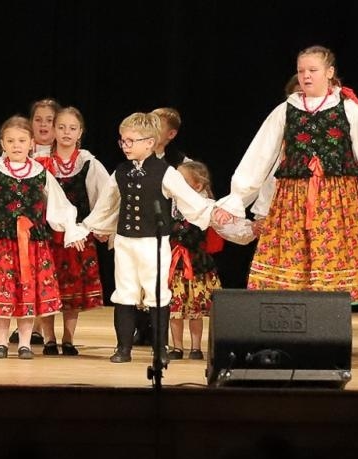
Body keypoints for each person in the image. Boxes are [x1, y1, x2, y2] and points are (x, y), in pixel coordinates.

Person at [214, 45, 358, 304]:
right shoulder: (285, 110)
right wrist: (236, 199)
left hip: (338, 199)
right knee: (293, 260)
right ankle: (293, 329)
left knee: (332, 263)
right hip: (293, 198)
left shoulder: (349, 109)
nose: (306, 76)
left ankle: (328, 330)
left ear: (330, 72)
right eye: (301, 71)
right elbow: (260, 155)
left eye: (313, 70)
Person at [0, 116, 88, 359]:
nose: (16, 145)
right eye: (10, 141)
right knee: (3, 293)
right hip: (0, 243)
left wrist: (70, 229)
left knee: (28, 294)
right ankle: (1, 342)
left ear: (31, 143)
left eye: (22, 140)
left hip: (32, 246)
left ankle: (24, 343)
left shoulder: (41, 173)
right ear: (2, 144)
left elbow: (59, 206)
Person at [84, 112, 218, 364]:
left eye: (131, 141)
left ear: (149, 142)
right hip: (125, 241)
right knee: (125, 292)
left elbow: (190, 201)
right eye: (123, 141)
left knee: (157, 292)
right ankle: (123, 348)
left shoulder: (165, 172)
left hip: (153, 242)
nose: (126, 146)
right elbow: (106, 206)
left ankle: (160, 349)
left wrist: (212, 212)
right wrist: (89, 227)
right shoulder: (120, 171)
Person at [42, 106, 111, 354]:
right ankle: (49, 338)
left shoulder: (88, 163)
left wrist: (96, 227)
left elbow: (104, 198)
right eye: (61, 127)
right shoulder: (42, 161)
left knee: (72, 290)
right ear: (53, 130)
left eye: (72, 128)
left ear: (80, 132)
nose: (66, 132)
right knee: (48, 286)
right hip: (47, 235)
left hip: (78, 236)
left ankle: (68, 338)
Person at [167, 161, 223, 361]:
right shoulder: (170, 205)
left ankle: (196, 347)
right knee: (175, 310)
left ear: (197, 186)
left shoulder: (205, 206)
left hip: (197, 266)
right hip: (175, 267)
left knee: (195, 311)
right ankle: (177, 347)